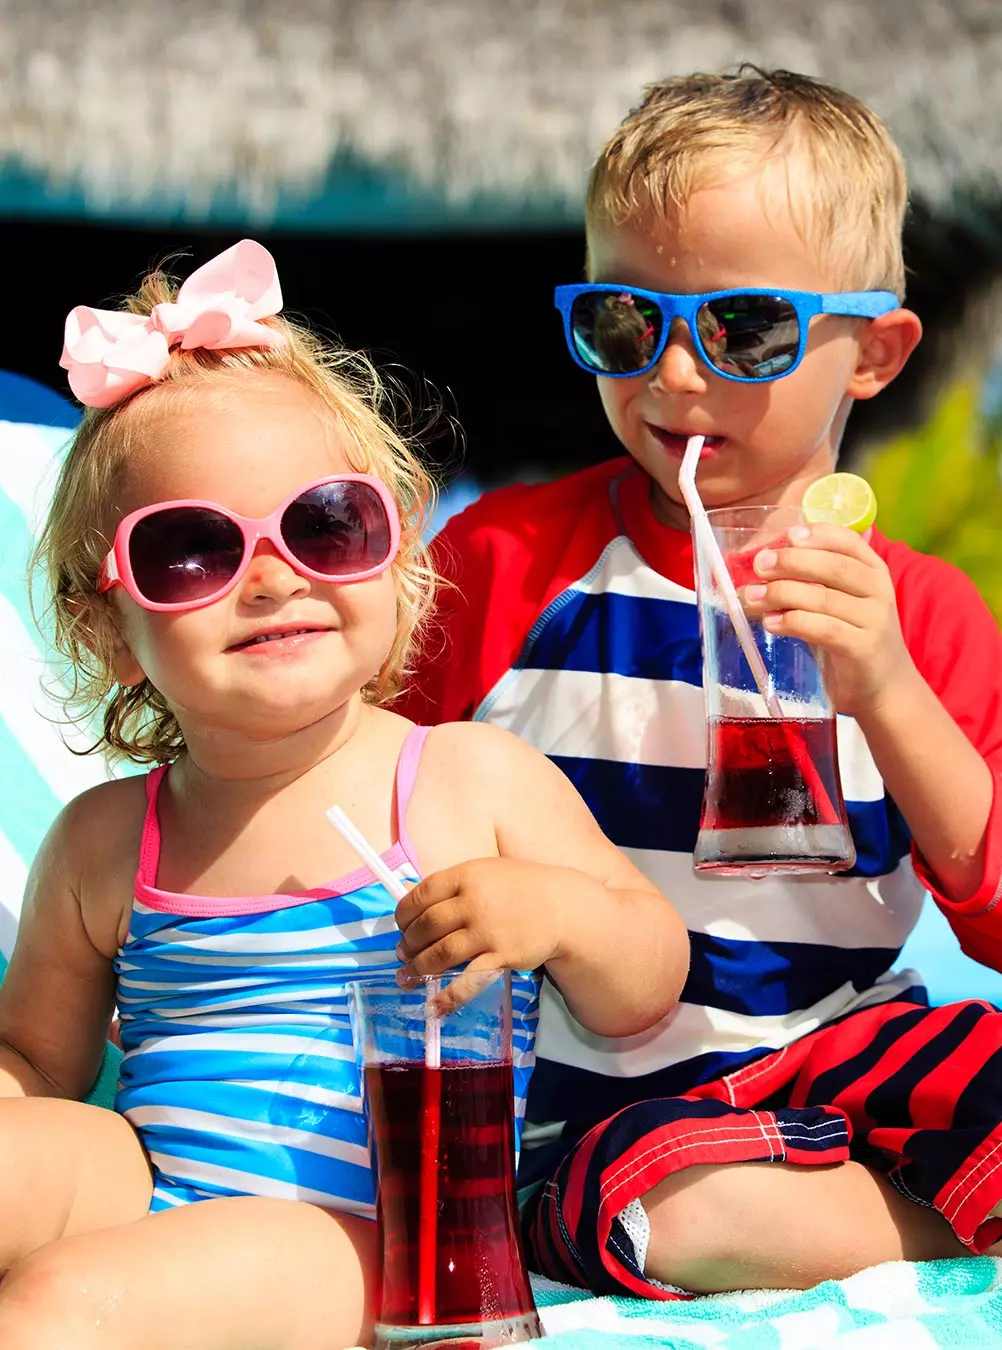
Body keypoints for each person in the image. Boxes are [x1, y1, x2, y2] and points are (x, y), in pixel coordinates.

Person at [392, 70, 1002, 1299]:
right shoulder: (506, 562)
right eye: (625, 322)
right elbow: (362, 795)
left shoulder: (919, 612)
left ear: (871, 353)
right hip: (604, 1109)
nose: (671, 376)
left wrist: (885, 687)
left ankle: (910, 1215)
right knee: (671, 1212)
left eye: (745, 329)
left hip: (848, 1063)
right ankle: (964, 1235)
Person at [0, 240, 689, 1350]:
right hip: (152, 1188)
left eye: (326, 524)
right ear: (104, 627)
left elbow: (645, 985)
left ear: (396, 543)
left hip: (377, 1238)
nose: (275, 576)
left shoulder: (465, 779)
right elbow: (38, 1062)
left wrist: (555, 917)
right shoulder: (105, 840)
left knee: (54, 1312)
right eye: (190, 550)